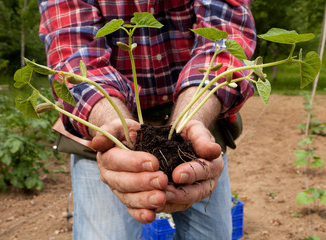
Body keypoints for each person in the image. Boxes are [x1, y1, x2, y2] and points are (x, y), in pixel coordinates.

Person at [38, 0, 256, 239]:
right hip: (106, 129)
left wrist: (191, 120)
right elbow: (73, 56)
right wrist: (113, 125)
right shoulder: (109, 129)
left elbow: (224, 40)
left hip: (197, 121)